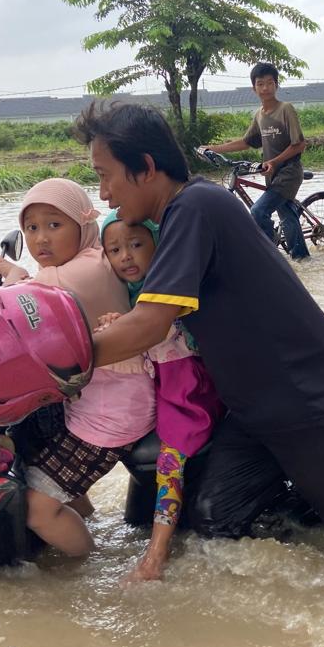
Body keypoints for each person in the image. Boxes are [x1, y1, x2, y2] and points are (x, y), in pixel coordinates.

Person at [78, 100, 324, 598]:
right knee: (213, 517)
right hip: (256, 412)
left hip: (314, 406)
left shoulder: (195, 208)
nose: (103, 193)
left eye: (105, 175)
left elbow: (148, 324)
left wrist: (60, 358)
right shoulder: (189, 211)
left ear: (144, 167)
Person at [0, 178, 159, 570]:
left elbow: (22, 298)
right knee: (34, 455)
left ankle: (89, 569)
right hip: (101, 396)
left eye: (54, 225)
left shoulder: (76, 274)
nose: (40, 238)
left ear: (83, 226)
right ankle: (86, 520)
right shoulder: (92, 257)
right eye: (31, 228)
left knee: (37, 508)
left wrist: (12, 275)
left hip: (113, 411)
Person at [98, 210, 222, 580]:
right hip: (162, 389)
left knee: (170, 464)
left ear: (159, 247)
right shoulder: (132, 294)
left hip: (189, 393)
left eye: (136, 245)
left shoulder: (173, 291)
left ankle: (156, 554)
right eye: (115, 249)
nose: (126, 257)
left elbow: (160, 328)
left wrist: (123, 326)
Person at [202, 62, 310, 260]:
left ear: (276, 85)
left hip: (289, 172)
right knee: (286, 214)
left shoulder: (285, 109)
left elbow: (299, 144)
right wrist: (213, 148)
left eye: (270, 83)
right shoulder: (259, 116)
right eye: (260, 84)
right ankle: (302, 258)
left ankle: (271, 258)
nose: (265, 88)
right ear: (254, 88)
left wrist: (275, 162)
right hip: (272, 173)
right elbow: (246, 142)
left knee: (259, 211)